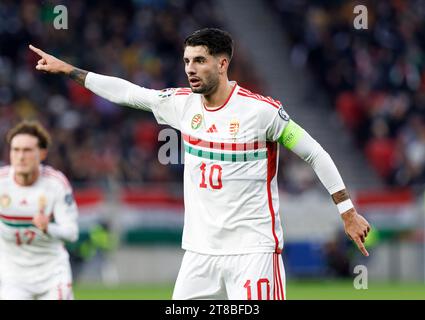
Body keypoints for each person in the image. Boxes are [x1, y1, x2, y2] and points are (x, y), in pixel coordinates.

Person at [29, 28, 371, 300]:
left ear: (222, 64)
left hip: (253, 251)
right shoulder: (181, 105)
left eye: (200, 61)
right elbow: (129, 92)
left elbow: (315, 153)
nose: (190, 69)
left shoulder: (261, 112)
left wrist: (347, 210)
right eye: (187, 60)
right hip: (200, 252)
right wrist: (70, 70)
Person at [0, 120, 79, 300]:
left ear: (42, 153)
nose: (20, 157)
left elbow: (72, 233)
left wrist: (47, 227)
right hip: (14, 277)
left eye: (27, 150)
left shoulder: (56, 184)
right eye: (16, 150)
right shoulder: (1, 183)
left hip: (52, 274)